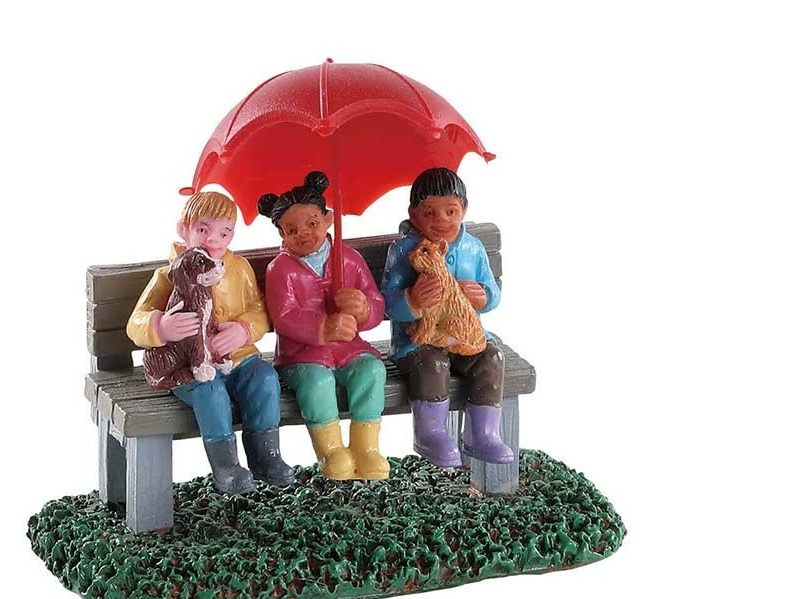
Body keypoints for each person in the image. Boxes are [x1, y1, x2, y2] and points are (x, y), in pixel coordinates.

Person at [127, 191, 295, 493]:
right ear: (184, 229)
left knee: (265, 379)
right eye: (203, 229)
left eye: (224, 232)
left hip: (239, 358)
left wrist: (244, 330)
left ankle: (266, 456)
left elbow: (259, 309)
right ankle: (226, 467)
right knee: (211, 391)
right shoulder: (169, 275)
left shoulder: (239, 269)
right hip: (189, 365)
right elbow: (135, 322)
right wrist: (161, 326)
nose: (213, 239)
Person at [381, 167, 516, 467]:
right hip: (418, 340)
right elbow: (386, 302)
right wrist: (412, 300)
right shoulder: (405, 251)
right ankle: (431, 433)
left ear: (463, 209)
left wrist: (483, 296)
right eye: (429, 212)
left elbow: (493, 291)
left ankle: (483, 434)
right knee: (433, 364)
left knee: (491, 358)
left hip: (464, 336)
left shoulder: (473, 248)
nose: (441, 220)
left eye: (450, 211)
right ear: (413, 214)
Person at [259, 172, 389, 481]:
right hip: (302, 354)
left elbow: (375, 302)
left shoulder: (349, 259)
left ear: (328, 220)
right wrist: (322, 328)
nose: (303, 234)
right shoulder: (280, 270)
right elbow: (284, 316)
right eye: (292, 230)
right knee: (317, 383)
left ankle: (366, 446)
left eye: (312, 223)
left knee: (372, 371)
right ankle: (330, 450)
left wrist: (364, 308)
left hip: (348, 348)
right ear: (281, 234)